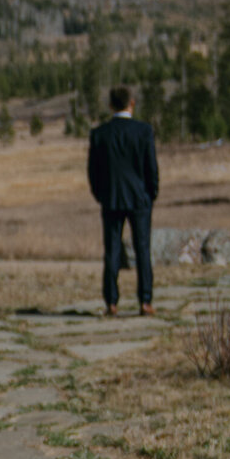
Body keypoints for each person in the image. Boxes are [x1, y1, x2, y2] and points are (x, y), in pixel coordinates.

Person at [87, 84, 159, 316]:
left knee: (112, 251)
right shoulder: (144, 131)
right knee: (143, 250)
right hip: (139, 199)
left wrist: (101, 195)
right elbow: (151, 168)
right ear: (132, 103)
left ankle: (111, 302)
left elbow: (93, 172)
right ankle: (145, 301)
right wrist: (151, 194)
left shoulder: (99, 134)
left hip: (112, 198)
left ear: (110, 106)